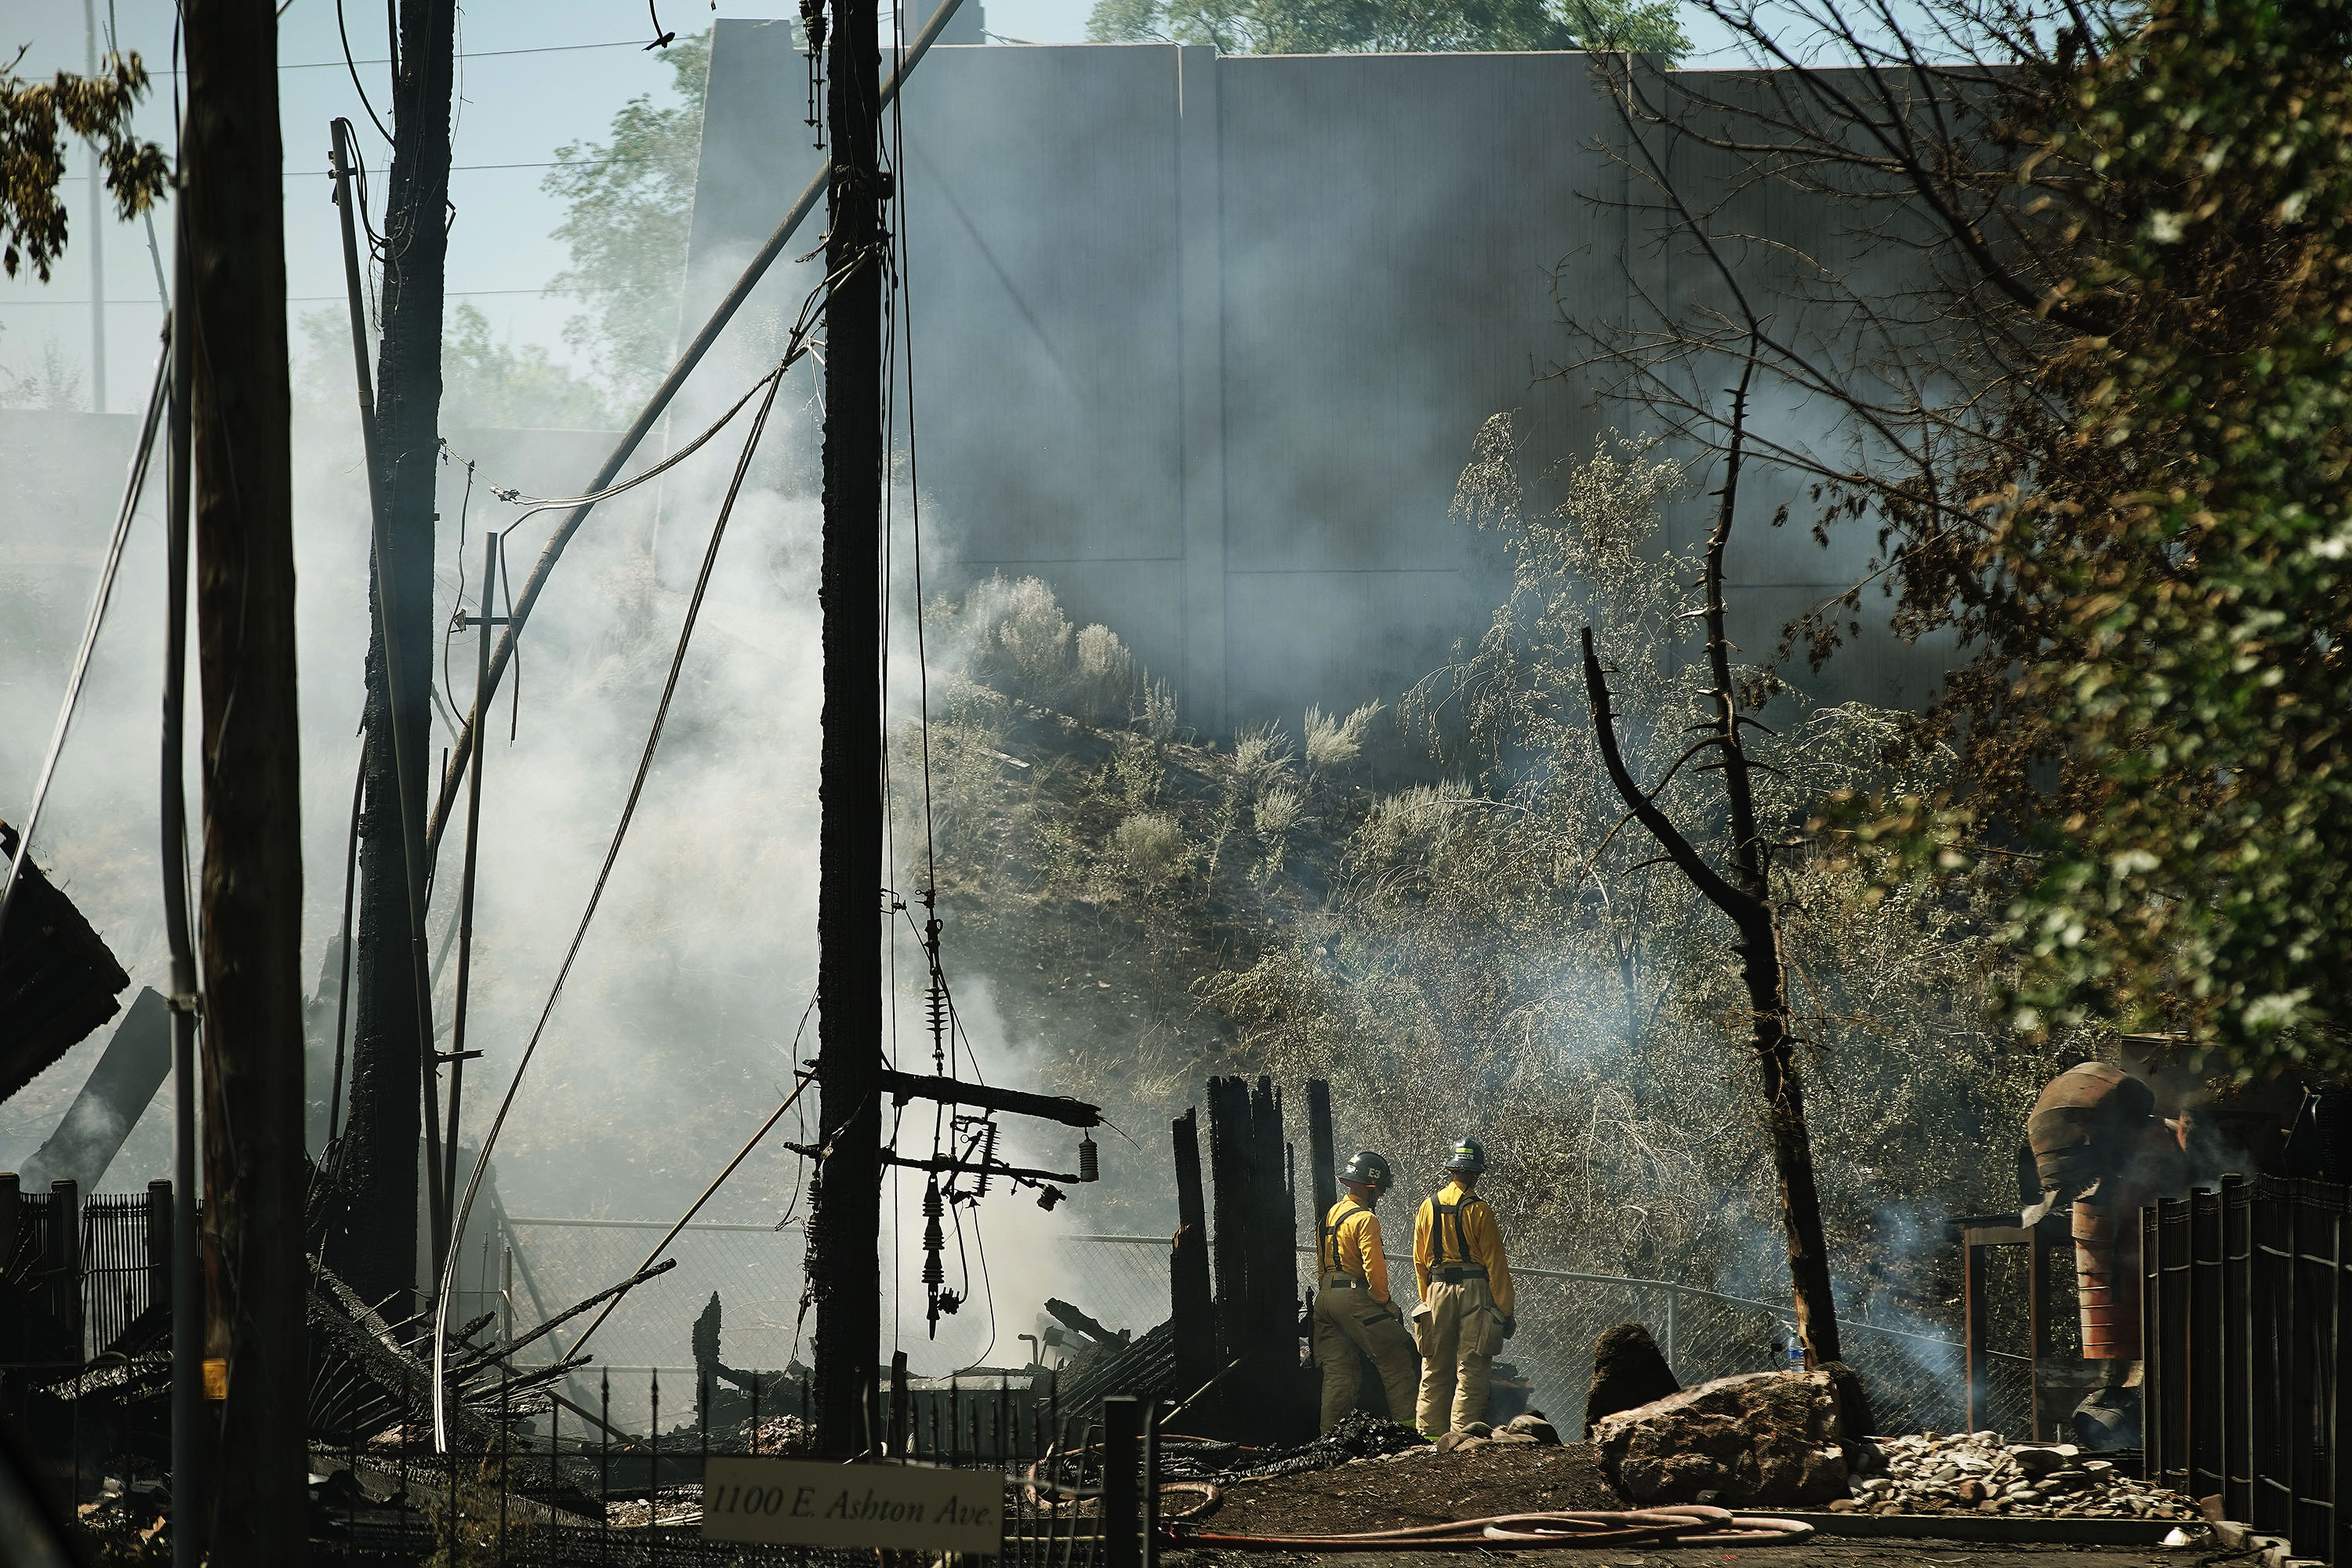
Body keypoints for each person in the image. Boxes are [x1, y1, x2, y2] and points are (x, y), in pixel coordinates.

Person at [1412, 1136, 1514, 1436]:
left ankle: (1427, 1438)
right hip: (1474, 1291)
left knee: (1434, 1366)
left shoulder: (1427, 1207)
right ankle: (1462, 1441)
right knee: (1471, 1366)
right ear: (1474, 1174)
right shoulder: (1479, 1210)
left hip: (1437, 1289)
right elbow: (1496, 1264)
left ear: (1453, 1170)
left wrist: (1428, 1299)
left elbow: (1420, 1260)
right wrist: (1505, 1310)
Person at [1312, 1149, 1420, 1432]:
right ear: (1371, 1187)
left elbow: (1322, 1267)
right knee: (1398, 1356)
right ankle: (1409, 1435)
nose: (1380, 1196)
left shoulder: (1331, 1215)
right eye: (1379, 1190)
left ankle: (1330, 1442)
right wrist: (1383, 1302)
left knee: (1339, 1373)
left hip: (1325, 1299)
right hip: (1353, 1297)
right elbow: (1375, 1269)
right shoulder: (1365, 1219)